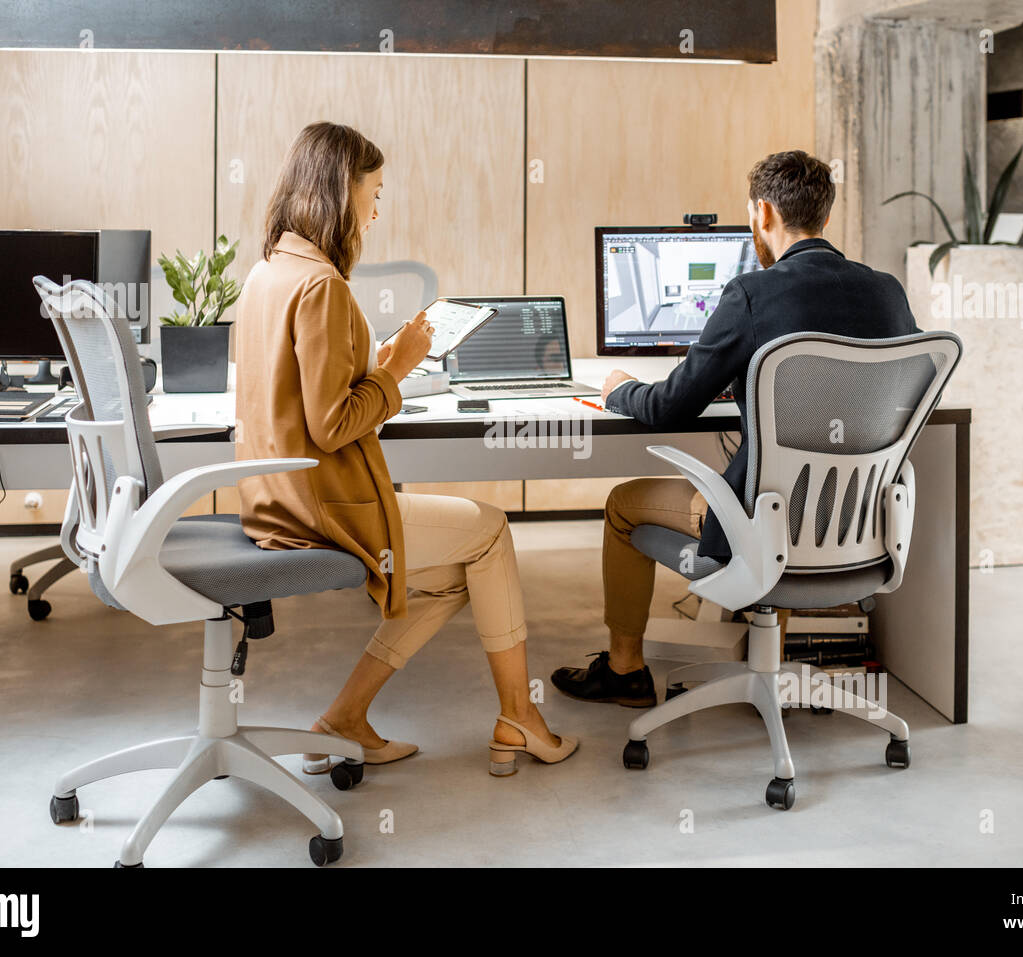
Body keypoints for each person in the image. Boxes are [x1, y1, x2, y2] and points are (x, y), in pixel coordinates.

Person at [235, 121, 576, 776]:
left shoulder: (270, 271)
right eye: (375, 191)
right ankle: (519, 716)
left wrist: (383, 365)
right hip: (323, 510)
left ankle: (345, 719)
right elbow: (334, 425)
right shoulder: (322, 287)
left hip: (275, 502)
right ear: (341, 192)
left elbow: (307, 403)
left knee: (450, 578)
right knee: (491, 533)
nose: (377, 207)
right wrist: (396, 372)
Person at [551, 149, 919, 707]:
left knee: (623, 503)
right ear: (825, 213)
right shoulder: (888, 293)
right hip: (857, 525)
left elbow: (669, 407)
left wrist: (617, 388)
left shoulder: (753, 293)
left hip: (766, 522)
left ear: (764, 212)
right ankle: (770, 667)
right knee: (785, 488)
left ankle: (624, 671)